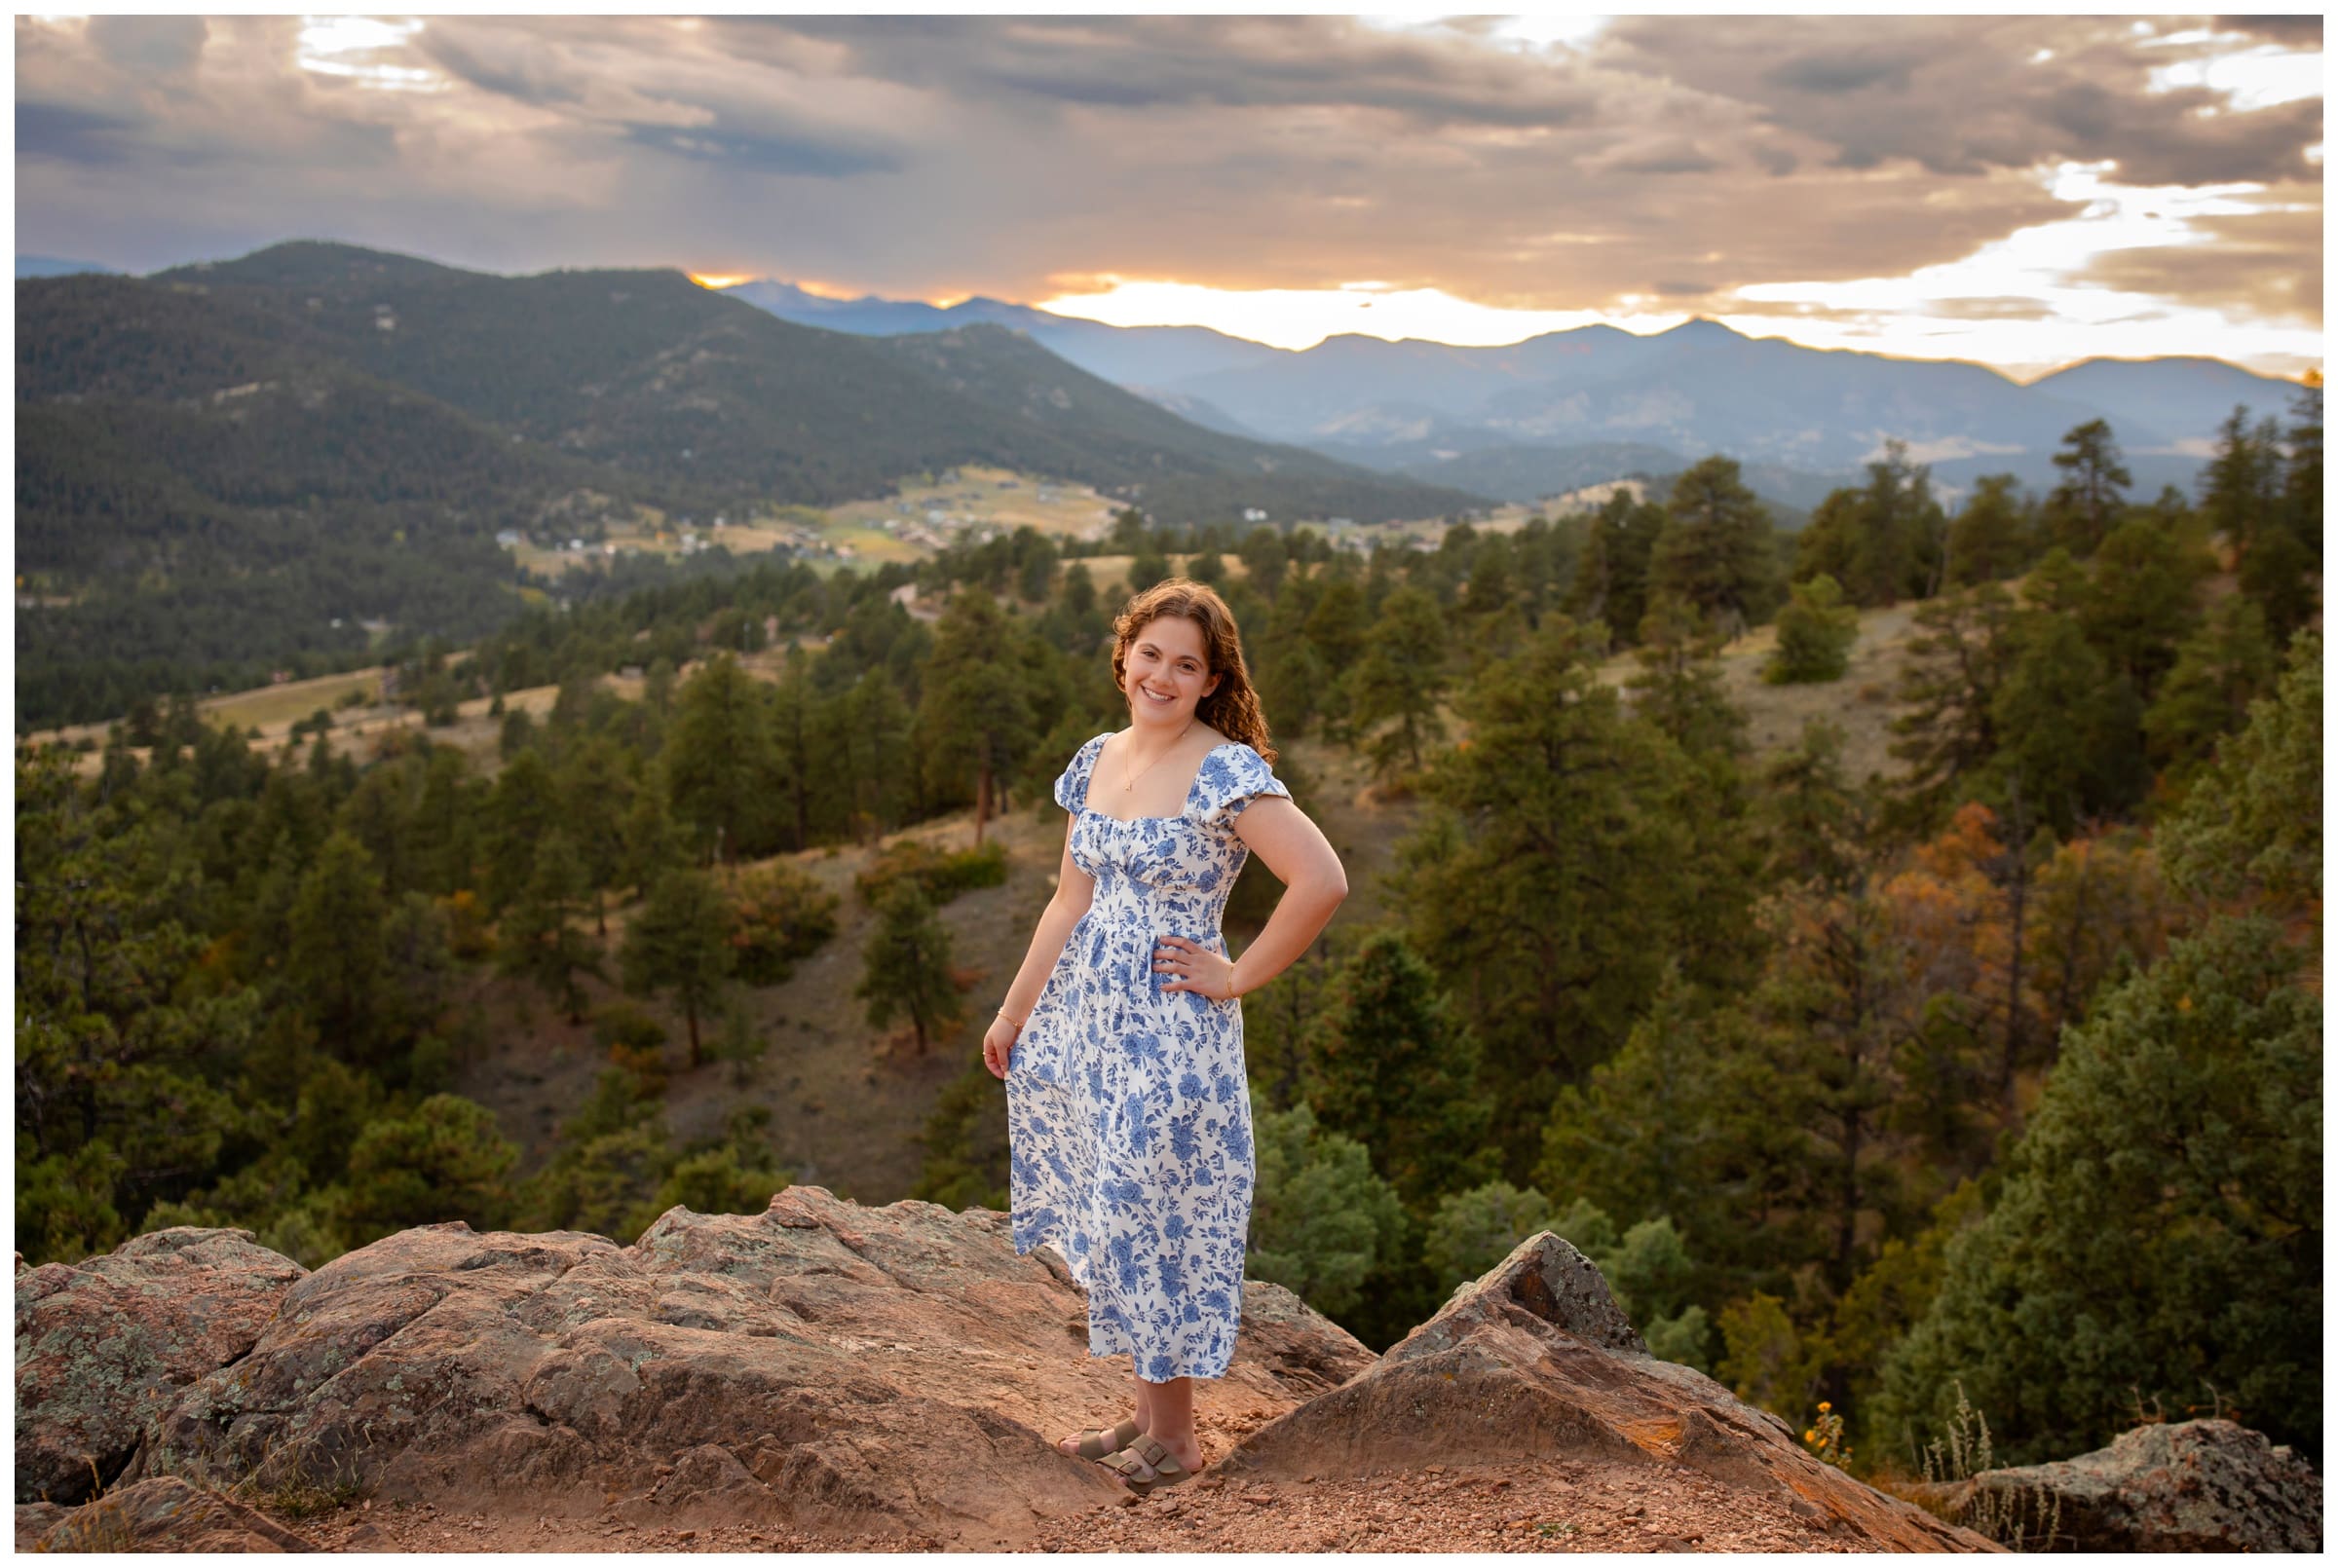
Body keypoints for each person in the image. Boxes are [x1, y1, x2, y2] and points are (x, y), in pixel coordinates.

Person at [982, 579, 1347, 1493]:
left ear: (1211, 677)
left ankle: (1177, 1440)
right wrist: (1016, 1011)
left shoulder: (1224, 769)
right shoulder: (1097, 757)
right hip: (1091, 1023)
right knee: (1115, 1207)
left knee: (1156, 1212)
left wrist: (1235, 975)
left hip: (1172, 1031)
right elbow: (1069, 899)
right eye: (1151, 654)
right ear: (1124, 656)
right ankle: (1148, 1417)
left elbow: (1321, 879)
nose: (1163, 674)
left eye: (1187, 663)